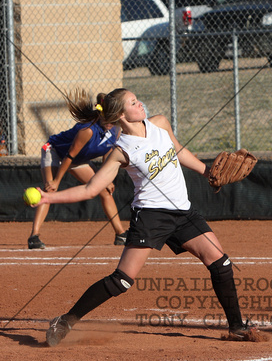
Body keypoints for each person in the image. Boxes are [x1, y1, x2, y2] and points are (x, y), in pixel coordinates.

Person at [35, 88, 256, 346]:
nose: (139, 103)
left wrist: (206, 172)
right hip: (150, 216)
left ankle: (237, 327)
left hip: (183, 212)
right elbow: (90, 188)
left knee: (221, 264)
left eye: (137, 99)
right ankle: (65, 321)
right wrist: (50, 198)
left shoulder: (159, 123)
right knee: (122, 281)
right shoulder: (121, 151)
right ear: (120, 114)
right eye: (132, 102)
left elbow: (179, 150)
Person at [28, 88, 128, 249]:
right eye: (108, 117)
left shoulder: (115, 130)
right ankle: (34, 236)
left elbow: (107, 153)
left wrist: (106, 178)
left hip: (76, 159)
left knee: (104, 190)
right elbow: (69, 155)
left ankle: (120, 234)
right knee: (49, 190)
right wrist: (56, 181)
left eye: (114, 117)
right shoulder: (87, 130)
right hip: (54, 151)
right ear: (101, 114)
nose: (111, 121)